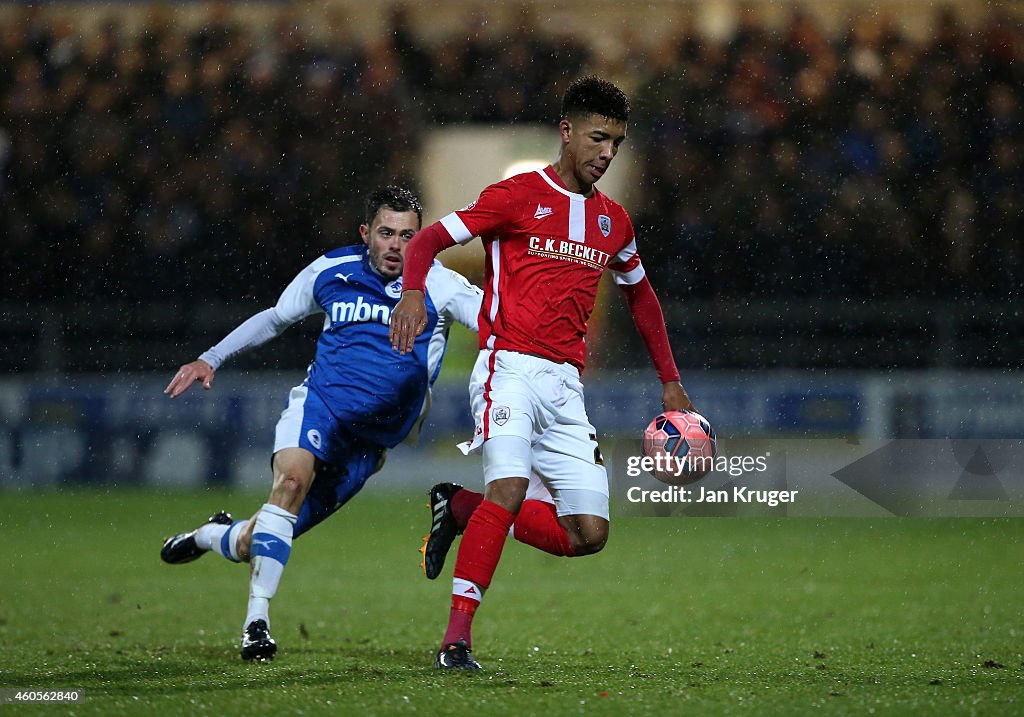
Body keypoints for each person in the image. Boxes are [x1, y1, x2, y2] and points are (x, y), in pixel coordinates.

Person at [390, 76, 696, 670]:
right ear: (567, 132)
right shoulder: (516, 195)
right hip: (509, 368)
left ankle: (459, 507)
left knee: (588, 533)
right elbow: (426, 240)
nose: (606, 154)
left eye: (617, 144)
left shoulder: (614, 222)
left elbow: (642, 297)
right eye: (598, 138)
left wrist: (670, 378)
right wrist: (410, 294)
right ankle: (456, 640)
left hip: (565, 386)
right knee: (508, 491)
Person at [161, 185, 482, 661]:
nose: (397, 245)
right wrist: (212, 357)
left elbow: (501, 328)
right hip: (319, 408)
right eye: (386, 233)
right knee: (289, 483)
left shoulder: (443, 285)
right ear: (365, 233)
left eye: (409, 236)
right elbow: (275, 318)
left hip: (368, 447)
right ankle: (256, 624)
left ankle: (212, 535)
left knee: (261, 538)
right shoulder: (332, 270)